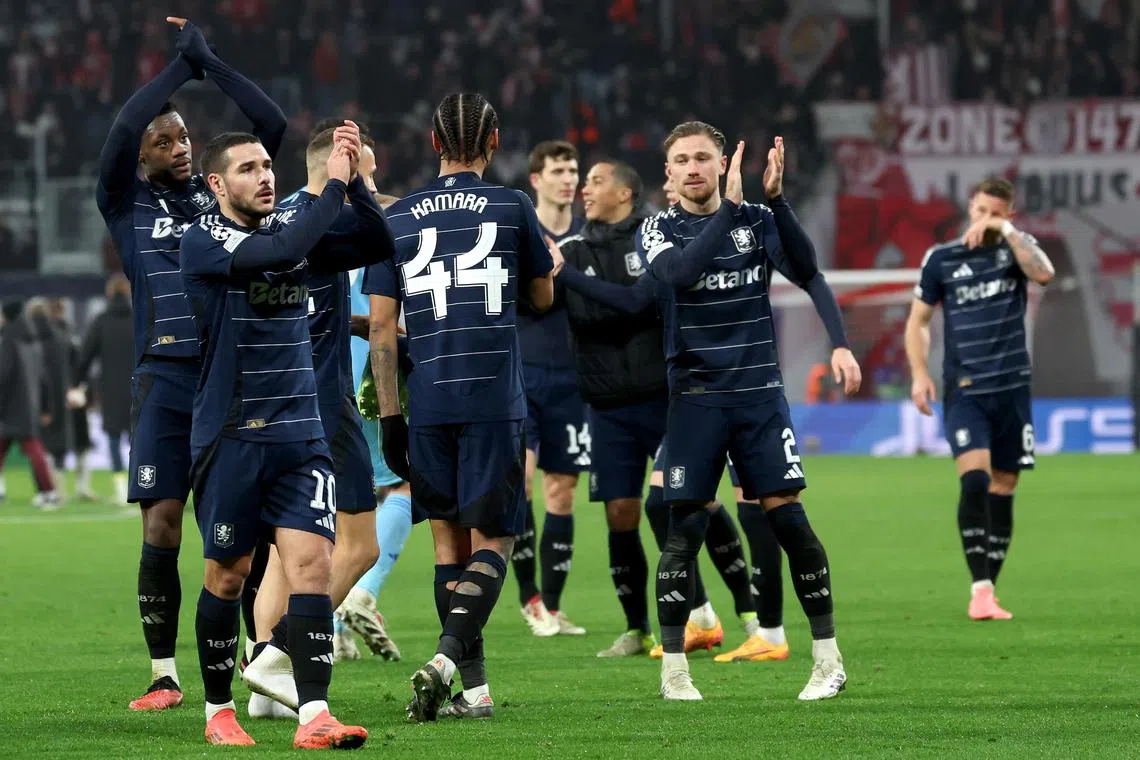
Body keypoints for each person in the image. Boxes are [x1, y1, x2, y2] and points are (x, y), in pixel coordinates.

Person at [94, 16, 287, 711]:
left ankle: (261, 661)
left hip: (229, 376)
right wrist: (178, 70)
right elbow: (121, 130)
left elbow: (271, 124)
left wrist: (211, 63)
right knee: (162, 524)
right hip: (164, 376)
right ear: (141, 153)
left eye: (183, 137)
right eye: (164, 138)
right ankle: (163, 673)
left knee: (240, 528)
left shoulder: (218, 195)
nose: (177, 146)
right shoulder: (125, 203)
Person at [637, 123, 860, 701]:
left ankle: (828, 659)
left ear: (720, 164)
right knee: (682, 527)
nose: (692, 168)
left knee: (788, 518)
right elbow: (678, 275)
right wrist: (729, 210)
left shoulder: (757, 222)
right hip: (695, 400)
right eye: (682, 159)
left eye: (703, 158)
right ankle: (675, 674)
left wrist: (778, 202)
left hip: (759, 397)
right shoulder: (657, 228)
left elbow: (808, 271)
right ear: (669, 172)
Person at [180, 126, 387, 747]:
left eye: (269, 165)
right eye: (248, 169)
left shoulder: (291, 234)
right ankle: (219, 710)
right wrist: (334, 187)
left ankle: (313, 715)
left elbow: (379, 240)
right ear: (217, 184)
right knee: (228, 574)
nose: (265, 176)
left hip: (301, 436)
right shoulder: (206, 239)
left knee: (313, 568)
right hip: (232, 437)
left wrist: (362, 188)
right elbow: (283, 250)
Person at [364, 92, 559, 722]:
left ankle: (474, 692)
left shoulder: (396, 219)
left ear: (433, 143)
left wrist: (391, 417)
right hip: (492, 396)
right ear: (494, 141)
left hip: (428, 400)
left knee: (448, 544)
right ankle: (448, 662)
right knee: (495, 541)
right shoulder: (512, 206)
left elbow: (382, 330)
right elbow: (541, 296)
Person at [558, 162, 794, 664]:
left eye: (596, 181)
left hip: (678, 396)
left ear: (626, 191)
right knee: (635, 510)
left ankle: (749, 618)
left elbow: (637, 301)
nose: (586, 189)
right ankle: (689, 619)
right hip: (607, 403)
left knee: (691, 503)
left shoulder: (663, 238)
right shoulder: (587, 245)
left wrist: (568, 277)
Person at [239, 123, 401, 719]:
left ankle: (266, 690)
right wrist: (356, 186)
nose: (375, 180)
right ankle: (277, 657)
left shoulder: (273, 222)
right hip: (323, 405)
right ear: (344, 164)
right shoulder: (332, 222)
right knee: (360, 546)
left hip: (272, 403)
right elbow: (384, 242)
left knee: (286, 549)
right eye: (371, 168)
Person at [904, 177, 1054, 621]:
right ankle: (980, 587)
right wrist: (918, 374)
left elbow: (1043, 273)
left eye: (995, 212)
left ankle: (989, 591)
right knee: (974, 479)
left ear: (1008, 216)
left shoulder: (1015, 253)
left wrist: (1006, 233)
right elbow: (918, 321)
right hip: (965, 390)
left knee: (1004, 487)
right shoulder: (942, 259)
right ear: (970, 207)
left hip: (1012, 388)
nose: (984, 217)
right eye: (980, 209)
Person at [511, 140, 588, 637]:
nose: (568, 179)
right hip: (522, 371)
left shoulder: (586, 235)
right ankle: (529, 598)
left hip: (572, 378)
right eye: (558, 170)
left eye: (574, 170)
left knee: (561, 492)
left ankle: (554, 607)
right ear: (536, 179)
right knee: (521, 484)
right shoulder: (520, 229)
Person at [73, 275, 135, 503]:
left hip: (110, 388)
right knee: (138, 438)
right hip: (141, 387)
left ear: (109, 293)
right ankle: (142, 485)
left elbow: (85, 357)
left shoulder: (101, 320)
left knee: (113, 437)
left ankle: (120, 490)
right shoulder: (139, 317)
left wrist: (76, 383)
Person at [0, 301, 58, 508]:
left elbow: (4, 375)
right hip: (29, 405)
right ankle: (48, 492)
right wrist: (44, 406)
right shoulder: (32, 338)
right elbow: (43, 377)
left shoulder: (8, 338)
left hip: (10, 406)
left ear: (7, 315)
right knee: (33, 451)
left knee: (33, 451)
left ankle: (50, 492)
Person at [50, 298, 96, 502]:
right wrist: (84, 393)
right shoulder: (72, 338)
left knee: (58, 446)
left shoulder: (46, 338)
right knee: (81, 444)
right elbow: (83, 367)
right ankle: (82, 488)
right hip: (75, 397)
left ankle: (59, 489)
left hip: (55, 399)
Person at [27, 299, 72, 492]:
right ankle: (58, 488)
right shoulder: (60, 336)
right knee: (59, 445)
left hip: (35, 400)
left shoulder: (28, 339)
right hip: (60, 398)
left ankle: (45, 490)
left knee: (38, 447)